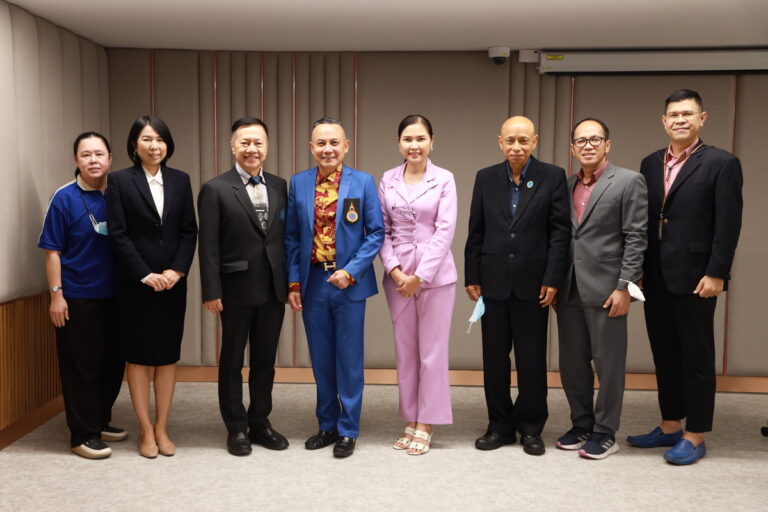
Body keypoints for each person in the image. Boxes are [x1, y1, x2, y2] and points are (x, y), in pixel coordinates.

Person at [627, 89, 743, 465]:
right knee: (665, 354)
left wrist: (717, 272)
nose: (680, 120)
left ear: (702, 119)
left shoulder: (722, 163)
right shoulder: (649, 163)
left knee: (696, 356)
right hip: (655, 275)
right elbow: (644, 221)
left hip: (697, 276)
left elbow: (728, 225)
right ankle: (670, 425)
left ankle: (695, 434)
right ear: (664, 121)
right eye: (673, 114)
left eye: (687, 114)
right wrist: (639, 269)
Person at [464, 116, 570, 456]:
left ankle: (529, 427)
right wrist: (472, 275)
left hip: (534, 285)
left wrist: (553, 279)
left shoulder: (552, 177)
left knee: (531, 360)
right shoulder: (485, 178)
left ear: (534, 141)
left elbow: (560, 233)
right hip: (492, 284)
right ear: (500, 141)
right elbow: (475, 231)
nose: (517, 146)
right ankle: (498, 426)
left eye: (523, 140)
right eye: (510, 140)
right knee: (494, 360)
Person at [285, 117, 384, 458]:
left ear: (346, 146)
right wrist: (293, 282)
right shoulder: (298, 184)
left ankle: (348, 429)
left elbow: (375, 233)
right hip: (313, 282)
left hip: (348, 284)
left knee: (349, 359)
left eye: (333, 143)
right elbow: (292, 237)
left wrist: (351, 271)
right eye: (320, 143)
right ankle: (326, 424)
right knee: (322, 358)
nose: (327, 149)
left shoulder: (363, 182)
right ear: (311, 148)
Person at [554, 118, 648, 460]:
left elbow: (637, 237)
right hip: (568, 289)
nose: (588, 145)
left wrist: (625, 286)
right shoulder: (563, 186)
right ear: (573, 148)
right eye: (581, 141)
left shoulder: (628, 181)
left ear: (607, 144)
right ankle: (581, 423)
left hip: (609, 289)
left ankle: (606, 431)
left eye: (595, 139)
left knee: (608, 364)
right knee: (572, 364)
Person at [106, 115, 198, 459]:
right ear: (134, 145)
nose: (154, 145)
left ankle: (162, 426)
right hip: (136, 284)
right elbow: (118, 233)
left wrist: (177, 270)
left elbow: (189, 231)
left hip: (173, 284)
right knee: (139, 358)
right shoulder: (119, 181)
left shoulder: (180, 180)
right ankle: (145, 429)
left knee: (167, 357)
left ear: (168, 145)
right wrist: (144, 274)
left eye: (160, 139)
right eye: (146, 139)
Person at [198, 117, 289, 456]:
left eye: (258, 143)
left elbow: (282, 239)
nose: (252, 149)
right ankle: (236, 426)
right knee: (232, 360)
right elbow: (207, 245)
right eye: (245, 143)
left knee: (265, 360)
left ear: (267, 147)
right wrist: (211, 290)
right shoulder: (215, 188)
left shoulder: (280, 185)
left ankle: (260, 421)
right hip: (234, 289)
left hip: (272, 290)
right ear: (233, 147)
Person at [38, 132, 127, 459]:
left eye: (99, 154)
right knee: (81, 367)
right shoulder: (64, 198)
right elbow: (51, 252)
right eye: (86, 154)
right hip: (77, 297)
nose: (93, 160)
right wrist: (56, 295)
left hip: (116, 296)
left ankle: (100, 420)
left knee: (112, 363)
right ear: (76, 160)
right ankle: (82, 433)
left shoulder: (117, 193)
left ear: (110, 159)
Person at [378, 115, 457, 455]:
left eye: (421, 138)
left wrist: (420, 276)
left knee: (432, 352)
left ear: (432, 142)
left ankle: (427, 422)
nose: (414, 145)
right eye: (408, 139)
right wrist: (395, 271)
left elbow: (445, 230)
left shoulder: (444, 179)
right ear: (399, 143)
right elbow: (381, 229)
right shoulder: (387, 179)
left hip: (435, 276)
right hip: (397, 277)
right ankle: (411, 418)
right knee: (406, 352)